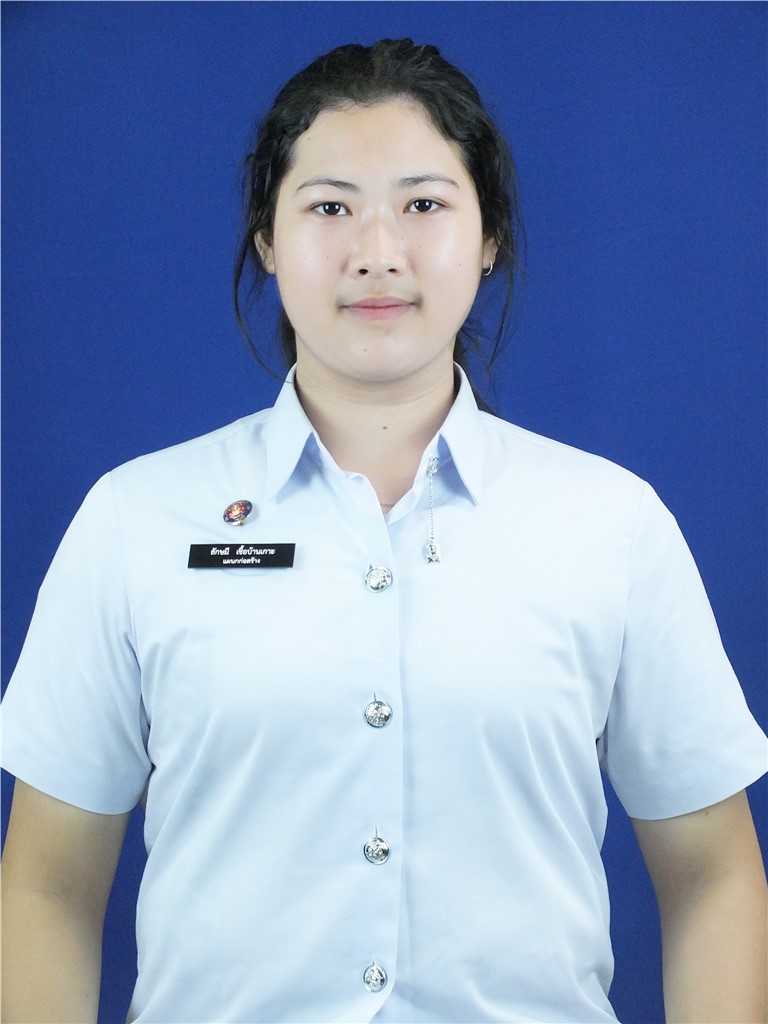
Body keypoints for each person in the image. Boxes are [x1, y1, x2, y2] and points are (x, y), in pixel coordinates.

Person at [2, 37, 766, 1024]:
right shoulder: (136, 519)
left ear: (488, 237)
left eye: (424, 205)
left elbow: (711, 873)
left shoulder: (611, 525)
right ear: (266, 239)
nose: (377, 251)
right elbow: (49, 883)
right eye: (329, 208)